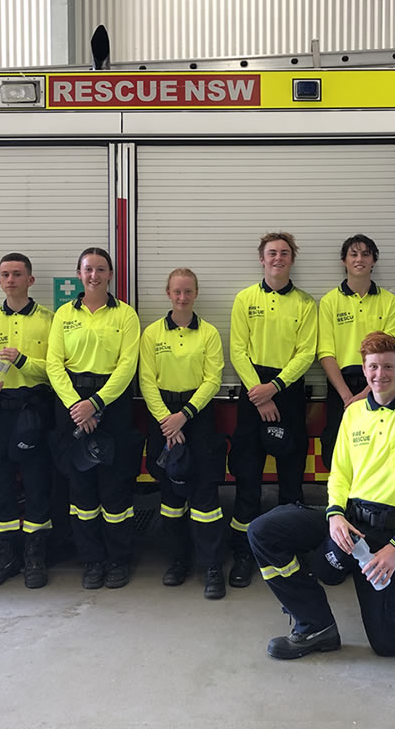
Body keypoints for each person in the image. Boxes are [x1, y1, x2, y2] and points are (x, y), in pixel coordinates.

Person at [248, 332, 395, 659]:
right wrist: (334, 517)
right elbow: (341, 474)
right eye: (373, 367)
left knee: (391, 642)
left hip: (390, 535)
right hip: (349, 520)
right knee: (263, 531)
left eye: (388, 366)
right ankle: (315, 626)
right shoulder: (354, 413)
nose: (379, 374)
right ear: (364, 368)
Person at [226, 232, 318, 589]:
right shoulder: (245, 299)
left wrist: (275, 389)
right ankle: (243, 552)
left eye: (284, 253)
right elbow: (237, 349)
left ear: (292, 259)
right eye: (271, 253)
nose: (277, 258)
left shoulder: (306, 304)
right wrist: (260, 395)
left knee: (291, 480)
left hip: (290, 393)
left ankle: (292, 554)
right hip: (253, 395)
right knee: (247, 479)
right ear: (261, 259)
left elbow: (306, 353)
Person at [47, 247, 140, 590]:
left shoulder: (126, 316)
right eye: (88, 269)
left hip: (112, 406)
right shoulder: (63, 315)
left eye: (101, 269)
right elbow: (54, 364)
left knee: (115, 489)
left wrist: (96, 403)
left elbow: (127, 365)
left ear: (110, 275)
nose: (94, 275)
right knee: (81, 489)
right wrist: (77, 406)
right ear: (79, 275)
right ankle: (91, 561)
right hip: (72, 405)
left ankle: (118, 560)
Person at [139, 268, 227, 600]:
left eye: (188, 291)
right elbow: (147, 380)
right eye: (176, 291)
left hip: (198, 417)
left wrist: (183, 416)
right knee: (171, 498)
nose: (182, 297)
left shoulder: (208, 333)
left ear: (196, 294)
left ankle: (213, 567)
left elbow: (212, 380)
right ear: (167, 293)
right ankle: (178, 561)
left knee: (205, 498)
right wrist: (167, 420)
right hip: (163, 419)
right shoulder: (151, 335)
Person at [0, 253, 55, 590]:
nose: (11, 280)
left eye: (18, 274)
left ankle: (36, 555)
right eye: (5, 275)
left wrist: (23, 360)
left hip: (33, 409)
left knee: (37, 481)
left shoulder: (50, 321)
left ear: (30, 280)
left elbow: (54, 369)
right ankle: (5, 554)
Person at [317, 234, 395, 470]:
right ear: (343, 261)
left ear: (374, 261)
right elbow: (325, 352)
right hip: (340, 386)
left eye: (366, 254)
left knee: (378, 447)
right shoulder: (329, 302)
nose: (359, 259)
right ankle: (339, 505)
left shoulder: (389, 302)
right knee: (336, 449)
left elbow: (392, 352)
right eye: (353, 254)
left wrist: (367, 392)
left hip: (379, 384)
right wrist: (346, 396)